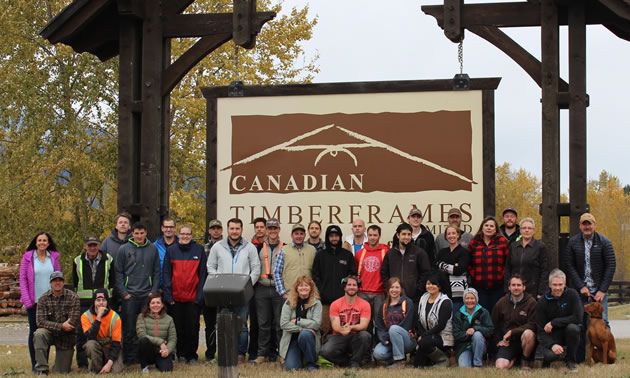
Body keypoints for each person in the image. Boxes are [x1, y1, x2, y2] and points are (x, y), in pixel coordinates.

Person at [564, 212, 616, 365]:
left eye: (589, 223)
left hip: (599, 290)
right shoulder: (573, 242)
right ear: (580, 226)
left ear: (595, 225)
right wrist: (580, 286)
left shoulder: (605, 242)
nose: (587, 226)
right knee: (580, 322)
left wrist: (602, 289)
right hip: (581, 290)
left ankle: (608, 358)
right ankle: (580, 358)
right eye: (584, 224)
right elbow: (569, 265)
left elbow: (611, 266)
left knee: (603, 321)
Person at [207, 218, 260, 364]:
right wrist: (217, 282)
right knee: (224, 323)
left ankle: (241, 354)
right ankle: (225, 352)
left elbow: (255, 269)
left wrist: (247, 285)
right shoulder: (217, 247)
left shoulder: (250, 247)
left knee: (242, 324)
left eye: (237, 228)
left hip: (242, 293)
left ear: (241, 230)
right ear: (227, 230)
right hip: (223, 292)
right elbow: (211, 266)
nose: (234, 231)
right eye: (232, 228)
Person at [114, 221, 161, 365]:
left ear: (146, 233)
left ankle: (145, 358)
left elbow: (156, 272)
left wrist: (153, 291)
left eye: (142, 233)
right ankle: (129, 358)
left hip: (146, 295)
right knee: (129, 329)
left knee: (146, 328)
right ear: (132, 234)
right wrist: (124, 293)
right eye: (136, 233)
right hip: (130, 295)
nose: (139, 236)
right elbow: (118, 272)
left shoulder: (153, 249)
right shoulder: (123, 249)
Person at [163, 224, 207, 364]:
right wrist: (168, 296)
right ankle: (181, 354)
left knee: (193, 328)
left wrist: (200, 297)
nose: (185, 236)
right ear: (179, 235)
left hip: (193, 297)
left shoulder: (199, 250)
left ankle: (192, 355)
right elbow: (166, 274)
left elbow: (203, 275)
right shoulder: (171, 251)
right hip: (176, 298)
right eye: (182, 234)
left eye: (188, 234)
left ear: (192, 235)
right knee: (178, 328)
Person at [19, 232, 62, 373]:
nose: (42, 242)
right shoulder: (28, 258)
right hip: (34, 302)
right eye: (39, 240)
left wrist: (58, 297)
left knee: (46, 333)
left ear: (48, 243)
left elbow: (58, 280)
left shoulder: (54, 258)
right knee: (34, 333)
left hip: (50, 302)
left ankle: (43, 364)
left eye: (45, 240)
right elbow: (23, 280)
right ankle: (35, 365)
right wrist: (27, 300)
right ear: (35, 243)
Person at [72, 235, 114, 369]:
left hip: (102, 302)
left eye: (95, 245)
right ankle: (82, 363)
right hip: (83, 303)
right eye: (89, 245)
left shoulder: (108, 260)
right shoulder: (77, 261)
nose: (92, 247)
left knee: (104, 332)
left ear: (99, 245)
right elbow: (74, 282)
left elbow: (112, 282)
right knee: (81, 333)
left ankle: (104, 359)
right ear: (85, 246)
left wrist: (109, 300)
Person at [312, 225, 357, 341]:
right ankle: (324, 354)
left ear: (340, 237)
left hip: (343, 301)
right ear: (327, 238)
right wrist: (322, 291)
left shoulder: (347, 255)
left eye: (336, 236)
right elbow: (315, 276)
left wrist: (345, 292)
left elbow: (352, 276)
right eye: (331, 236)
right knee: (325, 327)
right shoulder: (320, 255)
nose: (334, 238)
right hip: (325, 300)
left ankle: (342, 354)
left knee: (343, 328)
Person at [319, 275, 371, 368]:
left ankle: (355, 363)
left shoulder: (365, 304)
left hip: (356, 335)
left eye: (354, 285)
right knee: (325, 351)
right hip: (339, 336)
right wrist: (342, 330)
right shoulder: (335, 304)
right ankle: (345, 363)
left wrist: (351, 327)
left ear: (358, 287)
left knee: (365, 336)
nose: (351, 287)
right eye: (349, 284)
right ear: (344, 287)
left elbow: (364, 325)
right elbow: (335, 326)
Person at [34, 271, 81, 375]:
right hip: (49, 334)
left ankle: (59, 364)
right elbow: (40, 322)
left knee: (61, 372)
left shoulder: (73, 297)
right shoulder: (43, 299)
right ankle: (42, 369)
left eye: (60, 280)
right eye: (54, 281)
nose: (57, 283)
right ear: (50, 283)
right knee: (39, 334)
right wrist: (61, 326)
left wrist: (50, 325)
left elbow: (72, 322)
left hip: (66, 337)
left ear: (63, 282)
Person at [535, 269, 582, 372]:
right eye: (555, 285)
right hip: (551, 337)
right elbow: (540, 330)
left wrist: (554, 322)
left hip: (567, 333)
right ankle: (547, 361)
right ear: (549, 285)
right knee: (550, 356)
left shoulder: (572, 295)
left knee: (574, 328)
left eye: (560, 284)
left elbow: (578, 317)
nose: (557, 288)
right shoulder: (542, 302)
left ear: (565, 284)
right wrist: (552, 345)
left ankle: (571, 361)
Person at [253, 218, 284, 363]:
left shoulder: (285, 247)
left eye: (275, 228)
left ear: (279, 230)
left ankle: (281, 354)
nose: (272, 231)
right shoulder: (258, 248)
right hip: (262, 289)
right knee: (263, 324)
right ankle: (262, 354)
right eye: (270, 228)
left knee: (279, 324)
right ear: (266, 230)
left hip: (279, 290)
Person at [492, 275, 537, 370]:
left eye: (518, 285)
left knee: (528, 333)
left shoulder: (531, 302)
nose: (516, 288)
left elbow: (533, 324)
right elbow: (494, 323)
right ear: (509, 287)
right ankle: (515, 360)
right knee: (500, 367)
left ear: (524, 287)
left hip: (525, 342)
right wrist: (498, 341)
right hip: (508, 342)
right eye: (513, 285)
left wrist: (512, 332)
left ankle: (525, 360)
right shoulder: (501, 302)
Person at [279, 275, 322, 371]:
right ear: (296, 288)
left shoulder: (316, 303)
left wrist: (298, 321)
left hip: (308, 338)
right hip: (292, 339)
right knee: (292, 368)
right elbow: (284, 323)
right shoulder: (288, 303)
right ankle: (300, 358)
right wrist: (301, 328)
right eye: (301, 286)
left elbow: (316, 324)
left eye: (306, 285)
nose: (303, 288)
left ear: (311, 288)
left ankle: (311, 364)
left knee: (305, 334)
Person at [381, 223, 431, 305]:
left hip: (414, 299)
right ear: (398, 235)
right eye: (403, 234)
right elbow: (384, 272)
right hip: (394, 298)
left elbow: (426, 272)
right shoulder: (390, 253)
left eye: (409, 234)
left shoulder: (419, 252)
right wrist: (389, 288)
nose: (406, 237)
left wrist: (418, 288)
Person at [467, 216, 509, 312]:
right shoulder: (474, 242)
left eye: (491, 226)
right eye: (486, 225)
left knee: (496, 313)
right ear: (482, 228)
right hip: (479, 286)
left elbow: (508, 262)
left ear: (495, 229)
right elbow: (468, 263)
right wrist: (475, 276)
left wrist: (502, 275)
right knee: (482, 314)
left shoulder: (502, 242)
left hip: (497, 286)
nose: (489, 228)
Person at [373, 277, 416, 368]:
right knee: (378, 353)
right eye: (391, 287)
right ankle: (396, 359)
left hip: (407, 341)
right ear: (388, 290)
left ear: (401, 289)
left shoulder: (408, 303)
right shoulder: (383, 306)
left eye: (397, 287)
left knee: (394, 328)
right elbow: (380, 326)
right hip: (390, 340)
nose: (394, 290)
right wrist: (385, 339)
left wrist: (392, 334)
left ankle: (399, 361)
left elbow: (407, 324)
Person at [355, 224, 389, 337]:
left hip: (379, 293)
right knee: (364, 323)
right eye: (370, 235)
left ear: (379, 236)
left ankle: (379, 346)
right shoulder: (360, 253)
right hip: (362, 293)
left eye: (375, 235)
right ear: (367, 236)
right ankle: (366, 349)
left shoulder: (386, 251)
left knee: (380, 322)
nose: (372, 238)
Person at [414, 272, 453, 368]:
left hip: (443, 337)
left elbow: (441, 325)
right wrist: (422, 334)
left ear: (439, 286)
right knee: (418, 363)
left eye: (433, 284)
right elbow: (418, 320)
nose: (430, 286)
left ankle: (443, 360)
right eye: (428, 284)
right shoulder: (423, 298)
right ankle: (425, 363)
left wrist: (424, 335)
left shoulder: (445, 302)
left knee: (424, 342)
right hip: (427, 336)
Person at [80, 289, 123, 374]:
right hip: (96, 348)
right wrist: (98, 317)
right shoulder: (85, 316)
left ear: (107, 302)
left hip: (111, 348)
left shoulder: (115, 317)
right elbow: (90, 336)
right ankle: (97, 368)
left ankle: (106, 365)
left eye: (104, 300)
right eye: (98, 300)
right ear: (94, 302)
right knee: (90, 344)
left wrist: (109, 363)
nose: (101, 303)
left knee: (116, 372)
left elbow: (116, 343)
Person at [504, 218, 549, 299]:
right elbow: (508, 268)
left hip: (532, 291)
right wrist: (508, 288)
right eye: (524, 228)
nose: (527, 230)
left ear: (534, 230)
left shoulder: (540, 247)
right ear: (520, 230)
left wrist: (541, 292)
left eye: (529, 228)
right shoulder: (513, 246)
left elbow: (544, 271)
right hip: (515, 289)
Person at [273, 224, 316, 300]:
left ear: (305, 235)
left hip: (308, 295)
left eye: (301, 234)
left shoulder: (312, 250)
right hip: (289, 295)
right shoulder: (284, 250)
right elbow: (277, 272)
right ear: (292, 235)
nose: (299, 236)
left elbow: (317, 273)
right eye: (296, 234)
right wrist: (283, 293)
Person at [452, 288, 494, 368]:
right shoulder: (458, 315)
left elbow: (490, 330)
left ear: (476, 299)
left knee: (477, 335)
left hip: (480, 346)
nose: (469, 301)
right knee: (464, 368)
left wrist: (475, 329)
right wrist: (466, 333)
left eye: (472, 298)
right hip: (464, 347)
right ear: (464, 300)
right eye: (467, 298)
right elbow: (456, 333)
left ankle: (477, 365)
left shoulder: (483, 312)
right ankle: (469, 360)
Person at [100, 212, 132, 312]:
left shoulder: (134, 242)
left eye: (125, 222)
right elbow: (101, 262)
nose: (123, 224)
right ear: (116, 226)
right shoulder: (107, 242)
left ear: (129, 226)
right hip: (111, 284)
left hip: (129, 285)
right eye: (120, 222)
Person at [136, 295, 177, 373]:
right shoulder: (141, 317)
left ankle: (159, 363)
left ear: (162, 305)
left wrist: (167, 350)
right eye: (153, 303)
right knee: (143, 340)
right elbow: (141, 335)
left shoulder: (169, 319)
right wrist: (160, 342)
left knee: (167, 370)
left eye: (158, 303)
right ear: (149, 305)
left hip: (161, 350)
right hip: (148, 350)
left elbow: (173, 338)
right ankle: (144, 366)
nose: (155, 305)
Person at [435, 225, 470, 314]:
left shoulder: (464, 252)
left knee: (457, 318)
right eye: (449, 234)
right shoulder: (442, 252)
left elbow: (459, 270)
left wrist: (442, 265)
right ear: (446, 237)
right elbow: (436, 265)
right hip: (443, 290)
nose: (451, 236)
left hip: (458, 292)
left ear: (458, 235)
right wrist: (453, 267)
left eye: (454, 233)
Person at [202, 219, 222, 362]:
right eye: (213, 228)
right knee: (210, 324)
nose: (215, 231)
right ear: (209, 231)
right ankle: (210, 354)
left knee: (225, 323)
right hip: (208, 290)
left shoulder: (227, 247)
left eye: (218, 228)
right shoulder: (203, 249)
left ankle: (226, 352)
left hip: (225, 290)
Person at [249, 217, 267, 362]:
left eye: (262, 227)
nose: (259, 229)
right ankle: (253, 352)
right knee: (255, 322)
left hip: (266, 286)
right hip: (253, 288)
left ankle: (269, 352)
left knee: (268, 322)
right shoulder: (249, 246)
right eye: (257, 227)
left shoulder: (270, 245)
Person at [155, 217, 178, 289]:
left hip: (178, 287)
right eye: (166, 227)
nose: (168, 229)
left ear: (175, 228)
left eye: (171, 227)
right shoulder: (154, 247)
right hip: (160, 287)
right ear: (162, 228)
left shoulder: (183, 245)